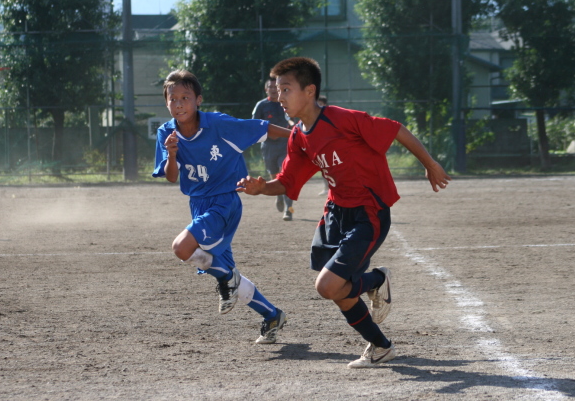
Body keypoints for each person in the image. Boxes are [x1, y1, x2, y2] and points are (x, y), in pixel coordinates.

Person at [237, 57, 451, 368]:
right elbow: (287, 182)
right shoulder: (298, 136)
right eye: (278, 90)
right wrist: (261, 188)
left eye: (286, 89)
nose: (279, 96)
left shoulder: (341, 119)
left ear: (310, 91)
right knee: (340, 290)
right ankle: (381, 346)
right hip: (336, 215)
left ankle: (377, 280)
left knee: (327, 286)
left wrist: (430, 164)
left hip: (368, 211)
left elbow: (395, 129)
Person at [153, 69, 290, 344]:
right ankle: (272, 315)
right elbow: (171, 176)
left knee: (182, 248)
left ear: (198, 100)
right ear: (166, 103)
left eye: (185, 97)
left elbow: (262, 128)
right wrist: (171, 153)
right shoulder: (166, 132)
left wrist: (304, 138)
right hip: (198, 204)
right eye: (172, 98)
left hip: (225, 201)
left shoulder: (218, 124)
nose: (179, 104)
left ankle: (228, 279)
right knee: (222, 269)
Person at [252, 77, 295, 221]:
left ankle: (289, 210)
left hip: (285, 145)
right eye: (269, 87)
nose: (272, 90)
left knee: (285, 175)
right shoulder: (261, 105)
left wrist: (293, 125)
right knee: (274, 176)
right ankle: (279, 195)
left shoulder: (287, 103)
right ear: (266, 89)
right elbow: (254, 123)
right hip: (268, 146)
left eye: (274, 87)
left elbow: (294, 119)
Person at [316, 95, 329, 196]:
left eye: (320, 104)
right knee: (323, 168)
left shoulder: (328, 116)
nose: (318, 106)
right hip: (320, 147)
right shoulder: (313, 116)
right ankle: (326, 188)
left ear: (325, 105)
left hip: (329, 146)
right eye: (317, 103)